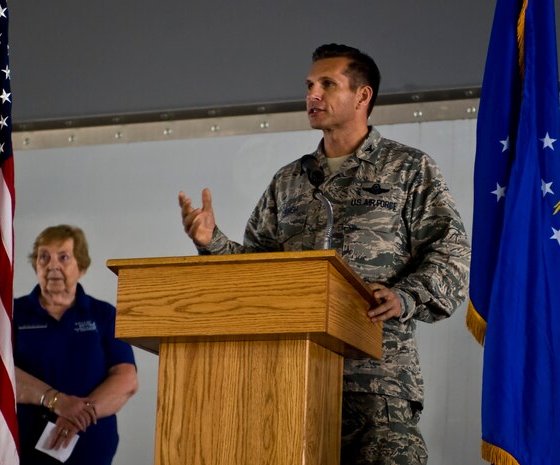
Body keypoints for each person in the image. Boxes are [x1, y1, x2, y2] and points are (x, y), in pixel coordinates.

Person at [178, 43, 470, 465]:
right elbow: (257, 271)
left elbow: (451, 252)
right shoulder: (290, 180)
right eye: (309, 85)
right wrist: (211, 242)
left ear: (363, 95)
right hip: (291, 385)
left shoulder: (408, 169)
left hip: (377, 387)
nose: (312, 94)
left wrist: (404, 296)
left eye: (327, 84)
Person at [13, 224, 138, 465]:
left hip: (90, 451)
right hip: (24, 450)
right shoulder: (14, 314)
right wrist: (56, 401)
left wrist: (75, 415)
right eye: (44, 257)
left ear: (81, 266)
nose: (52, 265)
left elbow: (126, 379)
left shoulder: (103, 315)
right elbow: (1, 373)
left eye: (63, 257)